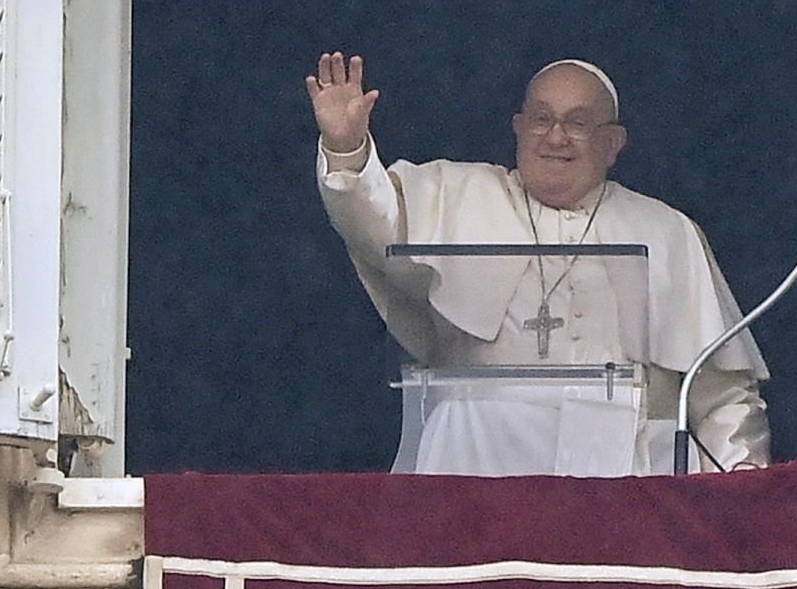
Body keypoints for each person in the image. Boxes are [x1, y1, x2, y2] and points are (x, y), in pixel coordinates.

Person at [308, 54, 771, 474]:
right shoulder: (460, 194)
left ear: (612, 144)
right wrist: (347, 148)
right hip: (478, 465)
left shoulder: (667, 232)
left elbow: (722, 396)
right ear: (518, 128)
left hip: (626, 475)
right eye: (541, 119)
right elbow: (375, 223)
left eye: (578, 123)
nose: (555, 136)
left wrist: (740, 495)